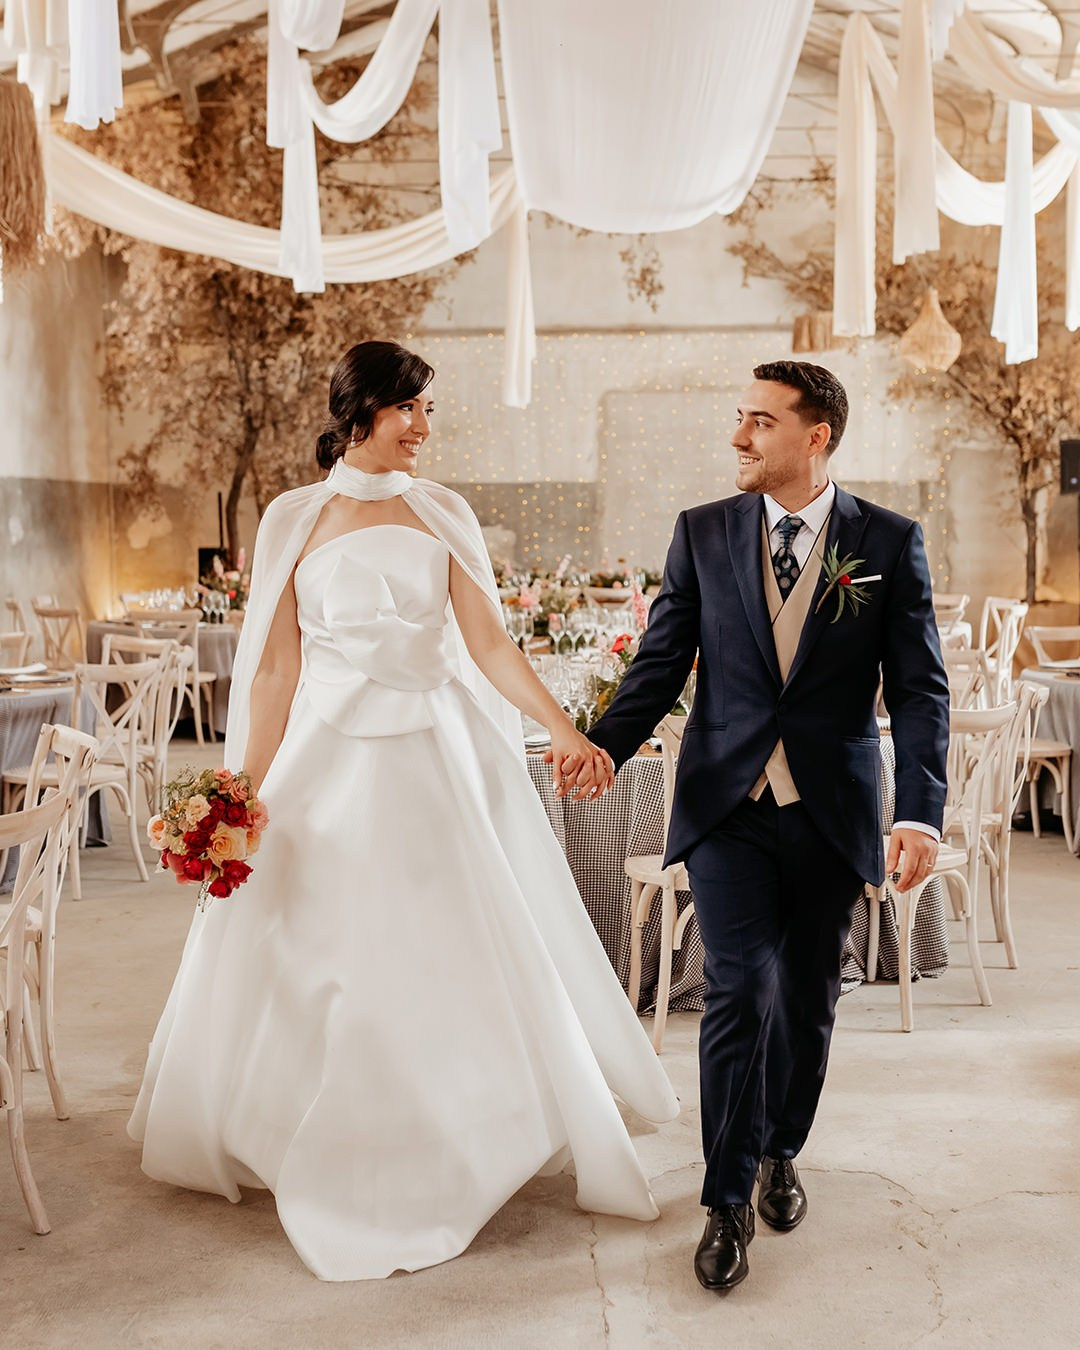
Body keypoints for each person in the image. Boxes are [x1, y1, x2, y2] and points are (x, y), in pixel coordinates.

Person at [128, 340, 678, 1281]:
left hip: (430, 753)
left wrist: (565, 731)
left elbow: (492, 648)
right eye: (412, 410)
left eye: (429, 411)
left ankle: (456, 1136)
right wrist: (240, 794)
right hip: (324, 762)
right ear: (363, 412)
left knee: (443, 946)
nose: (427, 428)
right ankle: (307, 1131)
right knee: (310, 948)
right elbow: (272, 669)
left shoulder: (444, 512)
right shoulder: (291, 520)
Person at [574, 360, 949, 1292]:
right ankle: (727, 1199)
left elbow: (919, 687)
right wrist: (601, 748)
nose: (739, 438)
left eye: (758, 422)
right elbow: (660, 665)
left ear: (814, 436)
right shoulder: (701, 534)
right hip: (726, 811)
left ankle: (784, 1147)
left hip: (830, 811)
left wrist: (920, 814)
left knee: (812, 997)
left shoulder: (889, 543)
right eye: (739, 420)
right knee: (740, 988)